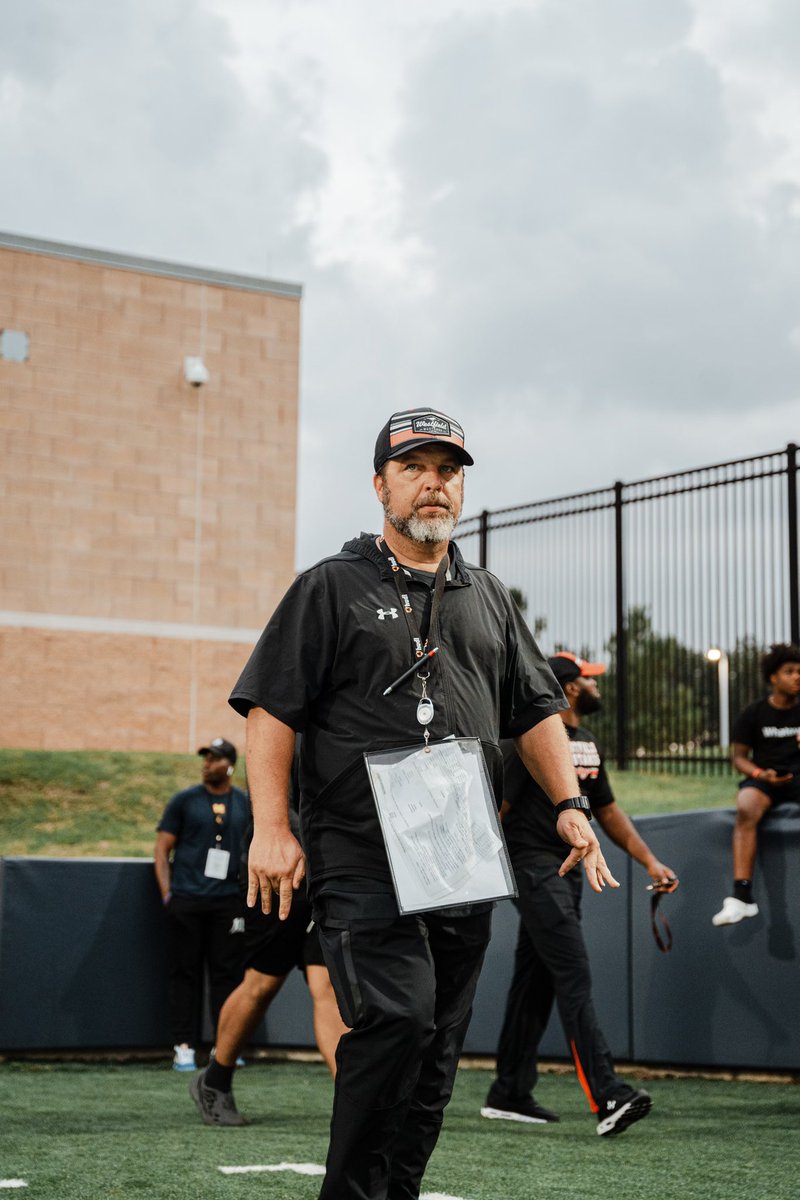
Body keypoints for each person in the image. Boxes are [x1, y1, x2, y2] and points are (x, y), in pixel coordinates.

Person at [228, 407, 619, 1200]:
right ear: (381, 486)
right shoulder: (330, 586)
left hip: (460, 845)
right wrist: (270, 827)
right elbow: (271, 710)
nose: (433, 483)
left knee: (437, 1048)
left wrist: (570, 802)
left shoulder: (489, 595)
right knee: (399, 1015)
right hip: (360, 845)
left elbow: (535, 712)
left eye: (447, 470)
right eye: (413, 468)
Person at [483, 651, 677, 1136]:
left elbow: (605, 811)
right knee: (573, 973)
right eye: (589, 680)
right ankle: (608, 1094)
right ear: (569, 687)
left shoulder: (586, 741)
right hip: (533, 869)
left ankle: (508, 1091)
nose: (596, 687)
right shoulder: (529, 739)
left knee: (536, 980)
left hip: (568, 873)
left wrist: (650, 861)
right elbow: (496, 810)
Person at [190, 748, 347, 1125]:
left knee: (328, 986)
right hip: (280, 877)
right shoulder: (287, 733)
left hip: (329, 878)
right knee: (261, 984)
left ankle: (352, 1100)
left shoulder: (348, 732)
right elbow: (276, 806)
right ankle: (215, 1080)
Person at [153, 736, 250, 1071]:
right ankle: (183, 1046)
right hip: (187, 900)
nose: (207, 764)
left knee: (227, 977)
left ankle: (226, 1046)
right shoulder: (185, 800)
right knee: (184, 975)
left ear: (230, 765)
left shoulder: (245, 803)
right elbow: (162, 850)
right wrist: (168, 895)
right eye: (206, 758)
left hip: (228, 902)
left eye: (215, 758)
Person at [712, 643, 800, 927]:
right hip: (767, 779)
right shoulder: (754, 713)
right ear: (773, 677)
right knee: (746, 804)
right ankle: (742, 898)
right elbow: (738, 758)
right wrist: (761, 774)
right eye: (789, 671)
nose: (797, 676)